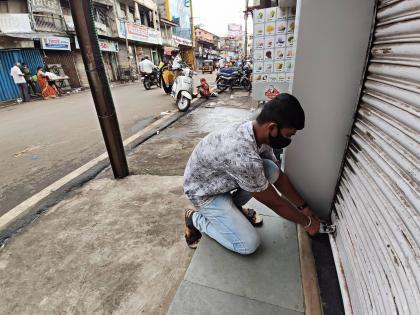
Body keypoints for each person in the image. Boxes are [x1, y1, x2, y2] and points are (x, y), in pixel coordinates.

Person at [183, 93, 321, 253]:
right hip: (203, 193)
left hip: (219, 180)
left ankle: (233, 208)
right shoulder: (244, 155)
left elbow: (279, 177)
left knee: (269, 168)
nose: (290, 139)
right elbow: (273, 201)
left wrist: (304, 208)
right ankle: (195, 219)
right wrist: (308, 223)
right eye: (289, 134)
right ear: (272, 128)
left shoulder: (255, 132)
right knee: (248, 244)